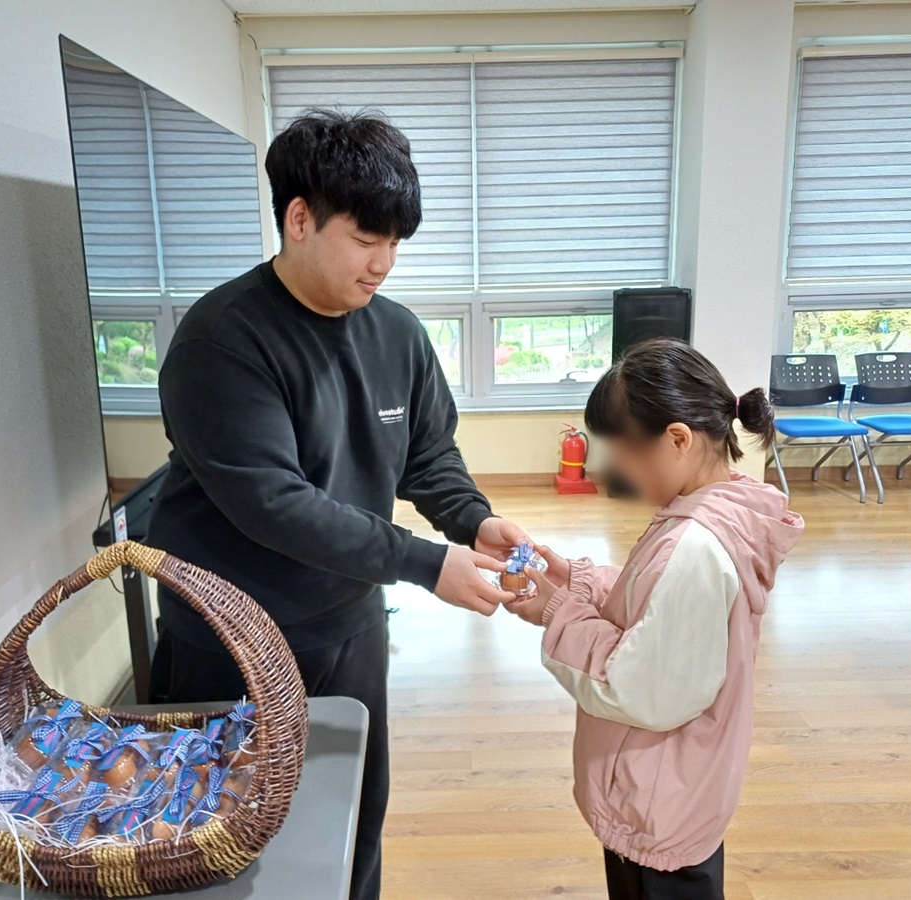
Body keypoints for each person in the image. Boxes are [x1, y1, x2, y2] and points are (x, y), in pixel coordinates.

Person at [144, 109, 526, 900]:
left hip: (349, 624)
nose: (383, 263)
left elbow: (427, 455)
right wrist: (427, 563)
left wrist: (474, 520)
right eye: (366, 239)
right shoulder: (221, 341)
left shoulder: (398, 334)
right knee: (220, 838)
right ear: (299, 219)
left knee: (353, 817)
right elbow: (274, 502)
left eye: (395, 243)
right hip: (229, 635)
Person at [507, 339, 803, 900]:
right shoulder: (714, 509)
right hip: (676, 785)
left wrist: (555, 610)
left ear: (677, 440)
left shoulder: (696, 545)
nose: (611, 469)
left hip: (657, 801)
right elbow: (651, 599)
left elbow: (638, 686)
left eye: (621, 454)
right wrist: (575, 580)